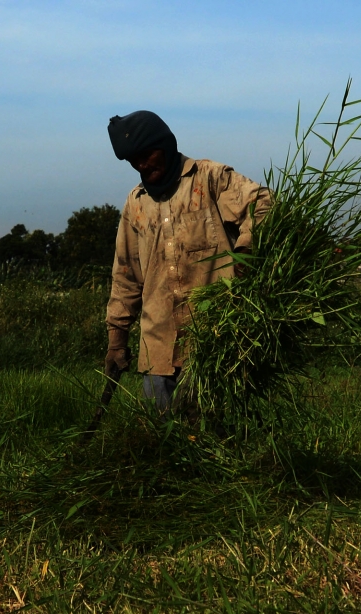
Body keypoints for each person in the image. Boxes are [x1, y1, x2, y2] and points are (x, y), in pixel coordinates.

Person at [104, 110, 270, 414]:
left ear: (164, 145)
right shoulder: (136, 203)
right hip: (158, 347)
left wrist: (246, 250)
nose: (141, 165)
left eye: (146, 155)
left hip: (214, 341)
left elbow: (263, 205)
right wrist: (117, 340)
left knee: (216, 433)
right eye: (133, 161)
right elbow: (126, 275)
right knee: (165, 441)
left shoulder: (210, 178)